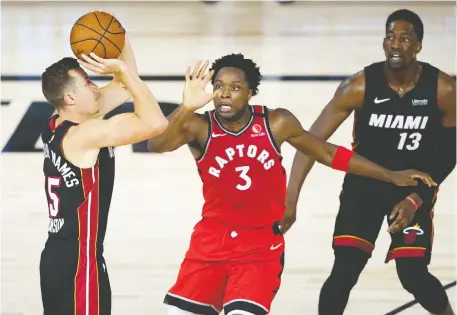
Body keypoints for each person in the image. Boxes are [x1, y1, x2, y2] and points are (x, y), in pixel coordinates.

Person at [146, 54, 435, 315]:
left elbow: (327, 152)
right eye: (218, 86)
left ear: (250, 93)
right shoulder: (199, 125)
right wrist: (186, 107)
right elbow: (156, 144)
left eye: (235, 88)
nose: (224, 94)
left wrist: (391, 175)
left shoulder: (276, 122)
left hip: (259, 247)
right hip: (210, 243)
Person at [282, 9, 456, 315]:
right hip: (363, 187)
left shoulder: (443, 90)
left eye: (405, 38)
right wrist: (290, 199)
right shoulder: (358, 87)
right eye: (390, 37)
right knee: (344, 272)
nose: (395, 44)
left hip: (411, 190)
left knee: (413, 275)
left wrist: (417, 199)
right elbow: (307, 143)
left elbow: (449, 152)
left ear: (418, 46)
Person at [39, 35, 171, 315]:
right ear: (70, 97)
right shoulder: (85, 134)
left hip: (57, 258)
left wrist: (117, 34)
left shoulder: (57, 122)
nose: (96, 88)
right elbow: (157, 122)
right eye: (88, 83)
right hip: (79, 263)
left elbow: (125, 84)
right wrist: (121, 71)